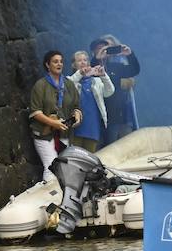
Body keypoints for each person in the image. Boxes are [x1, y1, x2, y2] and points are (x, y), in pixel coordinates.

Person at [27, 50, 81, 181]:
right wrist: (53, 123)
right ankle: (48, 196)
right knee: (51, 166)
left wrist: (77, 116)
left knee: (65, 167)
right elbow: (35, 112)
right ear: (47, 64)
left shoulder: (68, 84)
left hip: (64, 132)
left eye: (61, 61)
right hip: (45, 134)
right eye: (55, 61)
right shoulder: (41, 85)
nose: (59, 64)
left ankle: (63, 196)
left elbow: (76, 106)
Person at [68, 50, 114, 152]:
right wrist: (80, 73)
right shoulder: (70, 80)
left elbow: (109, 92)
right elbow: (67, 87)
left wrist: (103, 76)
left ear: (89, 63)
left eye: (85, 60)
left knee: (89, 158)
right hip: (75, 128)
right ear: (74, 65)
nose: (83, 62)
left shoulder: (96, 81)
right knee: (75, 157)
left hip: (93, 127)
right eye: (79, 60)